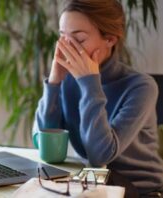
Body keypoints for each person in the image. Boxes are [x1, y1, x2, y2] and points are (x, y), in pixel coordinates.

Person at [33, 0, 163, 197]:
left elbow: (99, 155)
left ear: (110, 39)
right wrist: (54, 82)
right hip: (93, 185)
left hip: (141, 191)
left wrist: (89, 84)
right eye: (62, 37)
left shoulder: (141, 87)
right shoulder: (69, 81)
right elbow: (45, 146)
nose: (67, 47)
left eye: (79, 38)